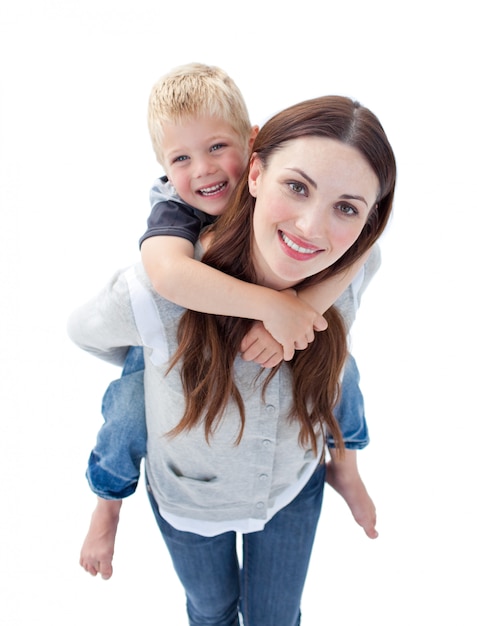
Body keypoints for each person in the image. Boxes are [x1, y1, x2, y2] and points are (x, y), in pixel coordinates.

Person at [68, 93, 396, 625]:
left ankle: (346, 463)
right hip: (190, 498)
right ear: (258, 172)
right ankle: (108, 502)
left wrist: (303, 306)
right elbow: (86, 331)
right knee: (212, 610)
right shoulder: (157, 282)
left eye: (346, 207)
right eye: (297, 187)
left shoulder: (354, 262)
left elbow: (367, 249)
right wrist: (154, 358)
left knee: (276, 617)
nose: (313, 228)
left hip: (291, 485)